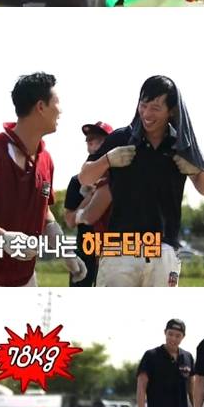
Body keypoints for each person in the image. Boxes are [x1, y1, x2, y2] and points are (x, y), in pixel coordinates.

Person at [78, 76, 204, 288]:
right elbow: (85, 177)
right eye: (143, 105)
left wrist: (196, 170)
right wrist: (107, 160)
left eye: (155, 108)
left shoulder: (181, 144)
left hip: (163, 249)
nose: (147, 114)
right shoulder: (121, 138)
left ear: (171, 111)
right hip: (121, 247)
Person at [0, 73, 87, 288]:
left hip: (24, 277)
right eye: (57, 102)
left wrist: (64, 250)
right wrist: (3, 237)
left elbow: (43, 211)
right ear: (41, 107)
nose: (60, 110)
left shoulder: (46, 160)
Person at [64, 121, 113, 287]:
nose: (93, 144)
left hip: (114, 249)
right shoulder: (77, 181)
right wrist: (90, 196)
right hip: (86, 247)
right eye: (90, 140)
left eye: (99, 140)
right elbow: (69, 221)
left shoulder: (121, 178)